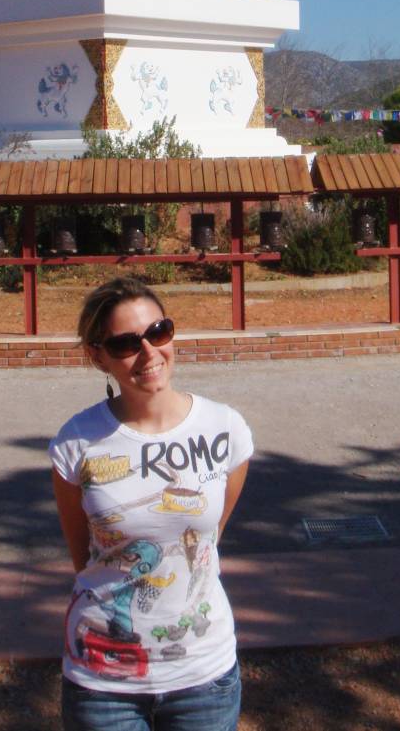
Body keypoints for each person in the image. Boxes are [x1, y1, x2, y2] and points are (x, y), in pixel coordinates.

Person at [49, 276, 253, 730]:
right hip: (102, 682)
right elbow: (84, 557)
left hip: (203, 675)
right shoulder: (76, 443)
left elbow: (210, 536)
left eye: (158, 332)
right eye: (125, 343)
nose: (148, 353)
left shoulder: (225, 429)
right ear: (98, 356)